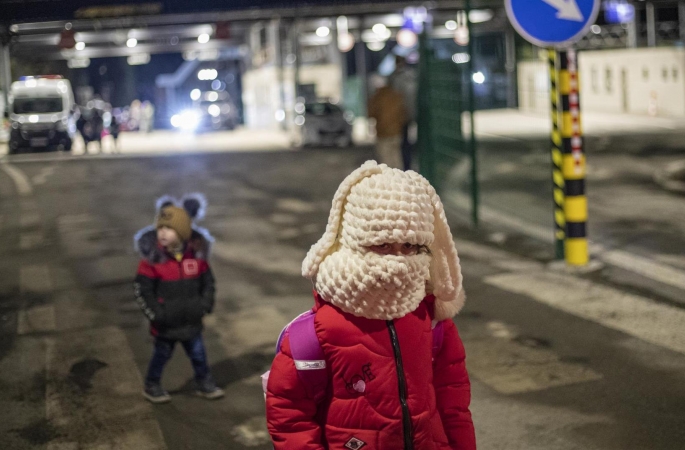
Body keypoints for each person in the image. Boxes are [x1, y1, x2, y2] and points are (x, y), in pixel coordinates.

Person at [266, 161, 476, 449]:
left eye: (411, 246)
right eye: (383, 245)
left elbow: (455, 406)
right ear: (354, 241)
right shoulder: (314, 335)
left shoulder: (434, 322)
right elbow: (291, 419)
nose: (399, 260)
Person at [133, 195, 223, 404]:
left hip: (191, 320)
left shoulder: (196, 258)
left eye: (169, 228)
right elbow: (142, 290)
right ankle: (152, 384)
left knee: (199, 355)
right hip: (166, 323)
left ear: (182, 233)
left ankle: (204, 382)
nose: (162, 232)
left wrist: (204, 304)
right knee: (161, 356)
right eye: (160, 228)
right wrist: (156, 313)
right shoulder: (153, 262)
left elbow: (208, 283)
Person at [368, 77, 407, 169]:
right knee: (396, 158)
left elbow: (370, 113)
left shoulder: (377, 97)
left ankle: (390, 181)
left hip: (383, 133)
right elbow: (404, 115)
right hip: (397, 132)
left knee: (385, 160)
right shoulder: (397, 96)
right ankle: (399, 178)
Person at [389, 55, 419, 171]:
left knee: (401, 143)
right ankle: (408, 165)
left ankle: (404, 166)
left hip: (399, 116)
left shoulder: (394, 77)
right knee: (407, 142)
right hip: (411, 114)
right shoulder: (412, 76)